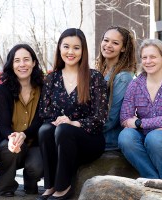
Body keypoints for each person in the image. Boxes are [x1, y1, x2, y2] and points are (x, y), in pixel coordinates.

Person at [37, 28, 108, 200]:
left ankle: (64, 187)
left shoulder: (94, 77)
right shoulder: (51, 78)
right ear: (59, 48)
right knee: (45, 130)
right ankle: (50, 185)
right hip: (59, 137)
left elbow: (100, 117)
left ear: (83, 51)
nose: (70, 52)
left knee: (64, 130)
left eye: (76, 48)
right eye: (66, 46)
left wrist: (75, 123)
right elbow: (44, 112)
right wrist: (57, 121)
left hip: (88, 139)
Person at [118, 39, 162, 180]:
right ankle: (152, 179)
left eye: (153, 57)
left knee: (155, 138)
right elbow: (125, 118)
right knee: (125, 137)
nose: (148, 61)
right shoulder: (135, 84)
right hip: (141, 137)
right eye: (144, 57)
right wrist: (158, 125)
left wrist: (139, 123)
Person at [0, 44, 44, 197]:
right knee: (10, 148)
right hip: (9, 141)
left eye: (26, 60)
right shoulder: (3, 90)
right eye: (17, 60)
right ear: (11, 65)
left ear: (34, 63)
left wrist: (25, 134)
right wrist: (13, 137)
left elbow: (40, 120)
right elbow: (3, 125)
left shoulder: (43, 88)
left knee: (37, 166)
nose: (22, 64)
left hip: (34, 142)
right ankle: (6, 185)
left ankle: (30, 180)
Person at [96, 26, 136, 151]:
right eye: (106, 40)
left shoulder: (123, 77)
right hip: (94, 130)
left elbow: (112, 117)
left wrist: (85, 128)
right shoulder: (99, 71)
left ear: (123, 48)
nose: (108, 45)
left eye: (115, 43)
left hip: (107, 137)